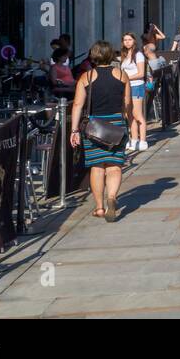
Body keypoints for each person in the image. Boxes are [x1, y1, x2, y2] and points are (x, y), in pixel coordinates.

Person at [68, 41, 131, 223]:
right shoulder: (121, 74)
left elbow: (78, 104)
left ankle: (100, 207)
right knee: (114, 165)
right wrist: (127, 121)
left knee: (97, 167)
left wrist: (74, 130)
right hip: (116, 124)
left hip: (94, 126)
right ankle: (111, 196)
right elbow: (127, 103)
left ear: (93, 56)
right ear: (111, 55)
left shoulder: (86, 77)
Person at [118, 33, 149, 151]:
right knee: (129, 114)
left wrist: (126, 78)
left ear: (134, 41)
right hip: (126, 88)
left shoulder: (138, 55)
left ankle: (143, 140)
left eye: (129, 39)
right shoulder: (124, 55)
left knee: (137, 114)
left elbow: (141, 73)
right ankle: (134, 139)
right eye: (125, 40)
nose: (127, 42)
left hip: (137, 86)